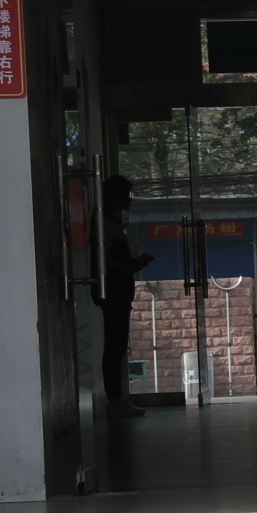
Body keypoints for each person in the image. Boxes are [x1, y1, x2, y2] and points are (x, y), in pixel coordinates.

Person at [96, 174, 144, 417]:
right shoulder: (104, 223)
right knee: (114, 346)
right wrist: (134, 264)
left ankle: (116, 398)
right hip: (112, 292)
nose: (129, 200)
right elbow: (110, 262)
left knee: (118, 345)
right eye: (126, 195)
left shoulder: (111, 221)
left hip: (118, 291)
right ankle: (114, 399)